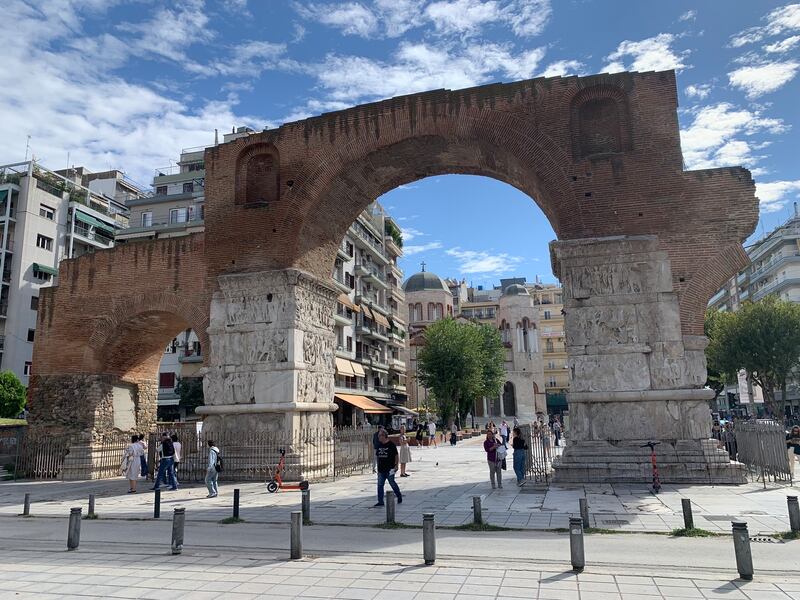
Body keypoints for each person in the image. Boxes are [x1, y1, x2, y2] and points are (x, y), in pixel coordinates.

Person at [374, 428, 403, 506]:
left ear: (384, 436)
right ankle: (380, 501)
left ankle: (399, 495)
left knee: (392, 483)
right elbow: (377, 456)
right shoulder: (379, 445)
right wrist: (377, 467)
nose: (378, 437)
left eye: (379, 436)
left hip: (390, 468)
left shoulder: (391, 445)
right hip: (381, 469)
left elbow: (396, 455)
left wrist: (396, 465)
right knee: (380, 485)